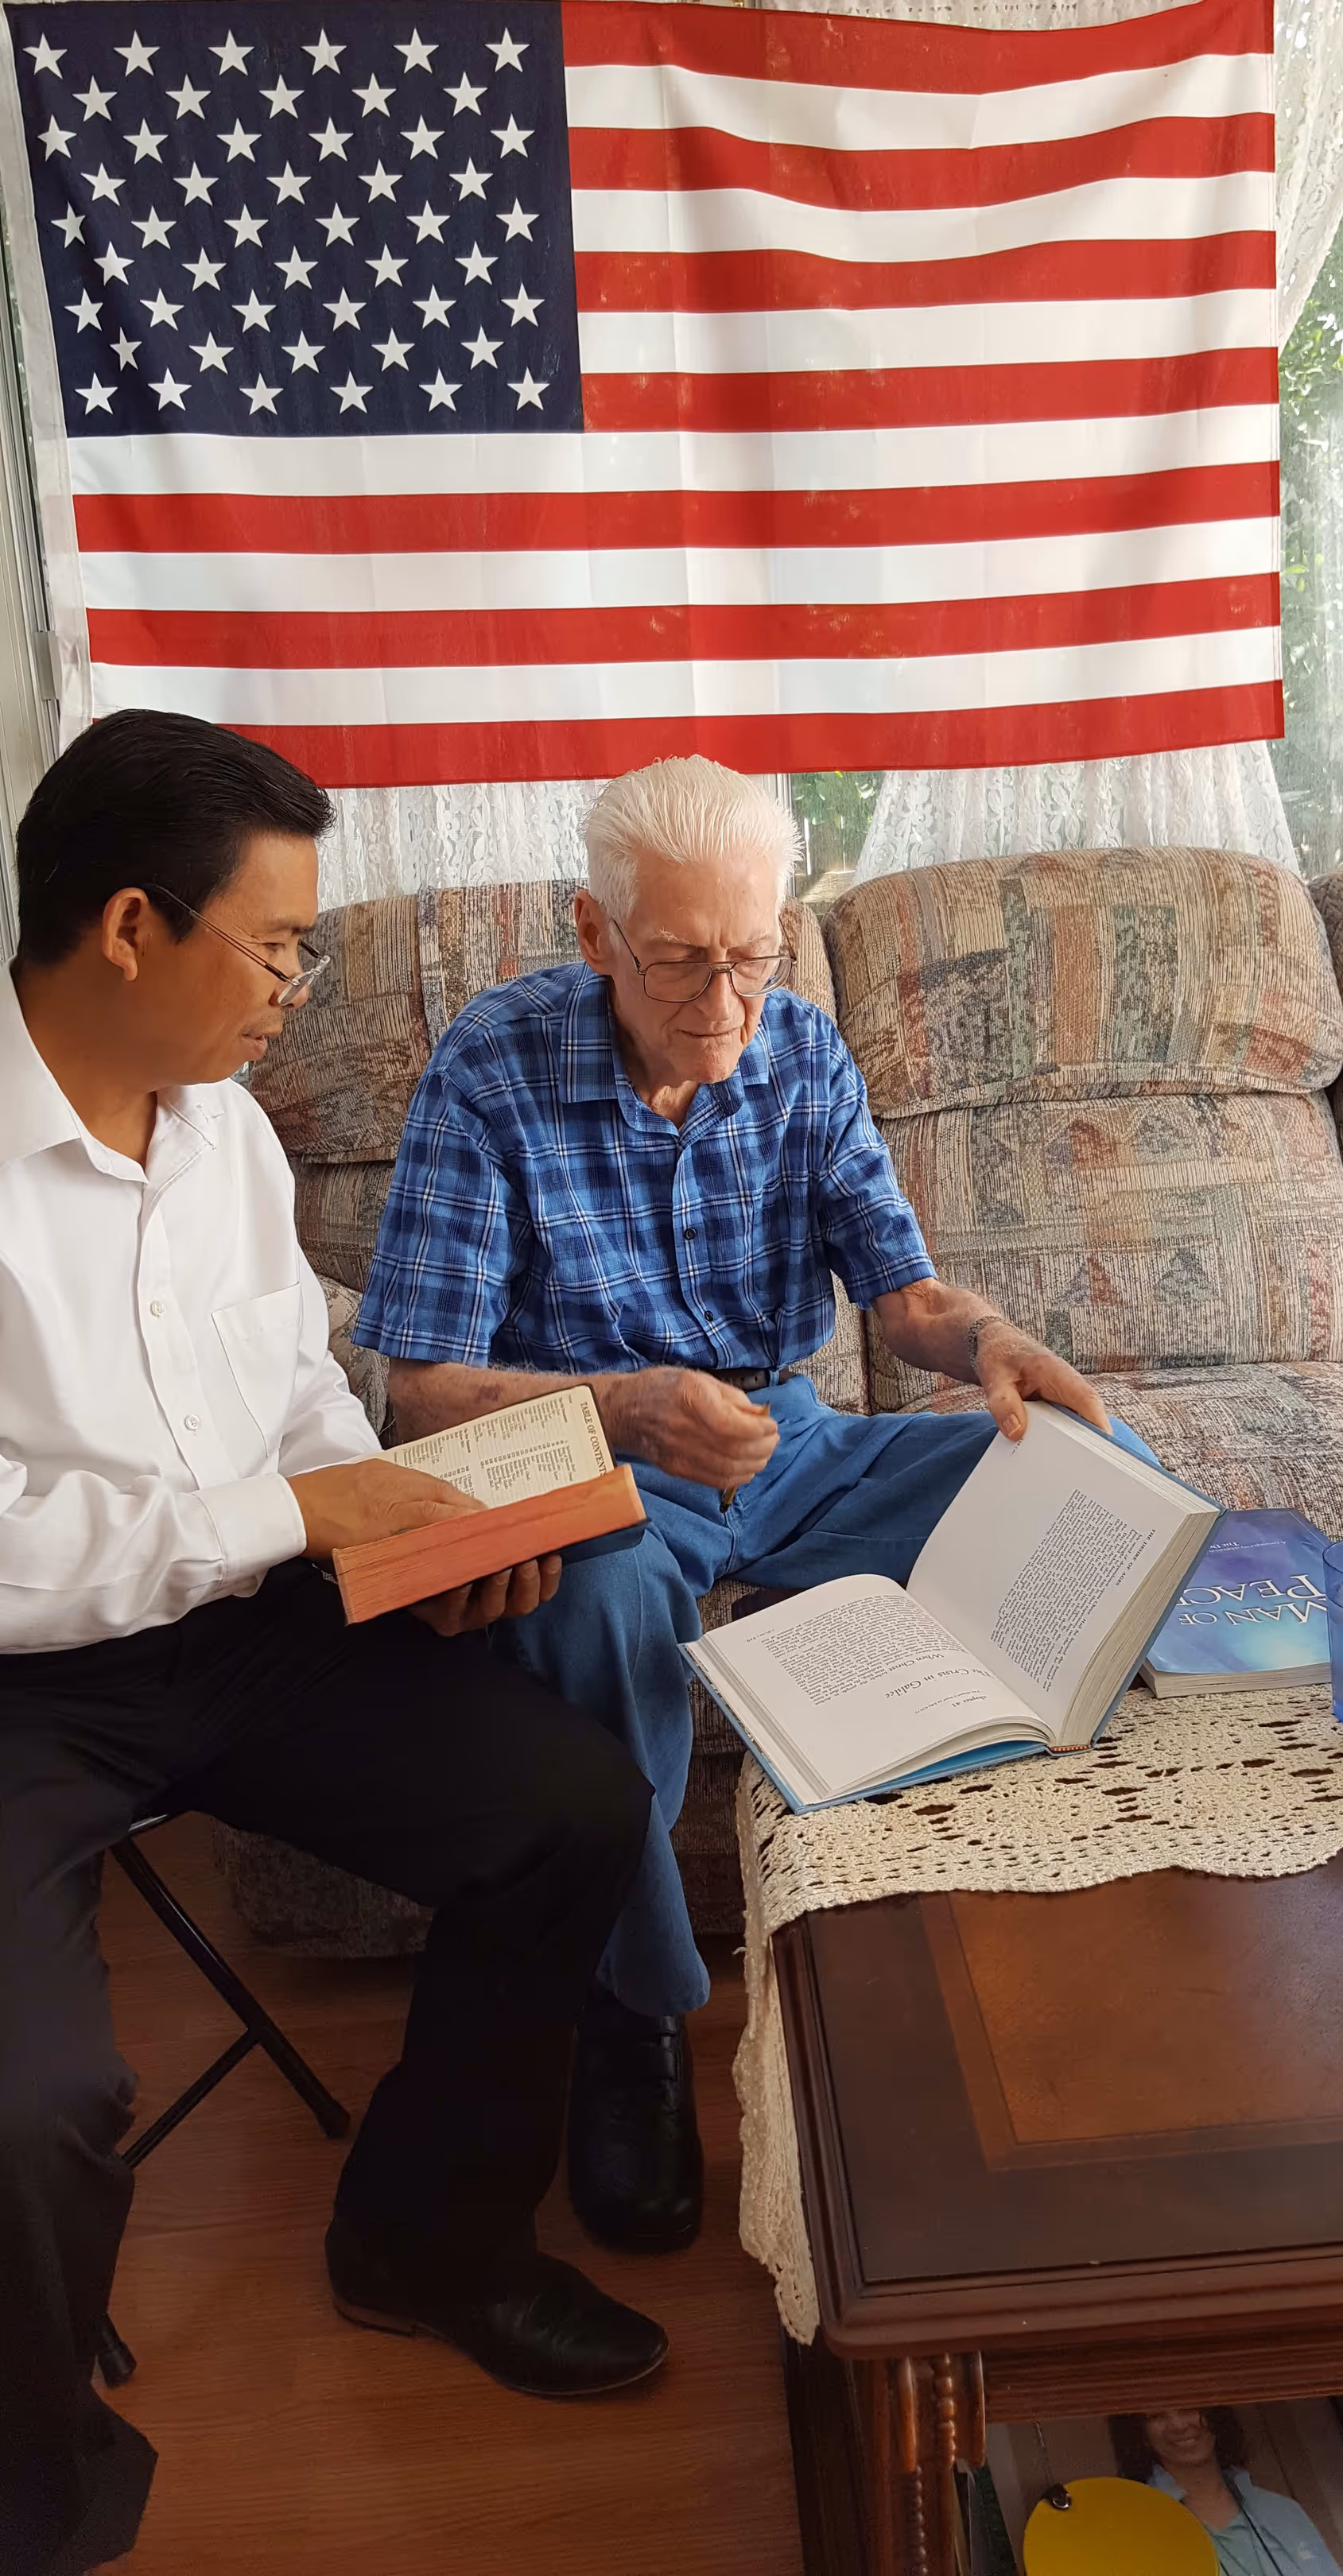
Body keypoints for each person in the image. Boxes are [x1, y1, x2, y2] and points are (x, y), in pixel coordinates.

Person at [0, 713, 667, 2576]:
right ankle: (39, 2479)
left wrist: (409, 1527)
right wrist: (293, 1519)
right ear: (130, 923)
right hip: (23, 1686)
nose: (302, 984)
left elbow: (296, 1399)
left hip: (247, 1617)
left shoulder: (220, 1137)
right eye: (277, 943)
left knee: (571, 1806)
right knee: (30, 2095)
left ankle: (426, 2242)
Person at [355, 754, 1143, 2257]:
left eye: (753, 956)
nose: (726, 1001)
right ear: (596, 933)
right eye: (680, 961)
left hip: (791, 1437)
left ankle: (1039, 1906)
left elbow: (900, 1298)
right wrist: (626, 1403)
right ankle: (631, 2015)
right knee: (594, 1602)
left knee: (1095, 1478)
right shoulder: (492, 1061)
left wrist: (984, 1341)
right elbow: (420, 1387)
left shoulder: (801, 1049)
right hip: (594, 1451)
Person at [1112, 2410, 1343, 2575]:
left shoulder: (1284, 2511)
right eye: (1156, 2416)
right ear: (1139, 2433)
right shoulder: (1136, 2531)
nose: (1179, 2425)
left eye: (1189, 2407)